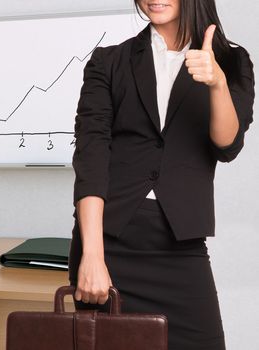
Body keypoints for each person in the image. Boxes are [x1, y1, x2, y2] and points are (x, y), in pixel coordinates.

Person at [68, 0, 255, 349]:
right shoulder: (108, 62)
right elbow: (91, 159)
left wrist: (217, 83)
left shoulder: (231, 61)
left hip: (180, 244)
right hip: (110, 244)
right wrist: (93, 255)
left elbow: (227, 144)